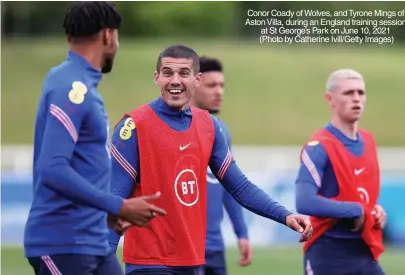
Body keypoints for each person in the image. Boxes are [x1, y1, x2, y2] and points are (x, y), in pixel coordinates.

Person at [108, 44, 312, 275]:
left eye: (184, 73)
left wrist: (285, 215)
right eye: (167, 73)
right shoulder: (134, 126)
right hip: (150, 263)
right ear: (157, 78)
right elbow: (114, 201)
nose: (175, 80)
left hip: (192, 261)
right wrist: (103, 258)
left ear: (197, 79)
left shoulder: (209, 126)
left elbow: (240, 186)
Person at [24, 2, 166, 275]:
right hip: (64, 244)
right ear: (108, 36)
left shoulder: (80, 85)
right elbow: (52, 169)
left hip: (93, 241)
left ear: (69, 37)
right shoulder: (71, 86)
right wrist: (119, 204)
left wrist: (107, 211)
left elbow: (79, 166)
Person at [295, 69, 387, 275]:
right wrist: (357, 210)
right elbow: (304, 201)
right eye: (348, 93)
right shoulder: (318, 146)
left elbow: (361, 197)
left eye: (361, 93)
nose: (356, 99)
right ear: (330, 99)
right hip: (328, 253)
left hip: (364, 252)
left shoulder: (368, 141)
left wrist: (374, 211)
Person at [191, 56, 251, 275]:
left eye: (222, 85)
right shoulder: (177, 130)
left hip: (215, 248)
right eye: (211, 85)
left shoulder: (222, 131)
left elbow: (229, 184)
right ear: (194, 85)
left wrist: (241, 232)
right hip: (185, 248)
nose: (219, 92)